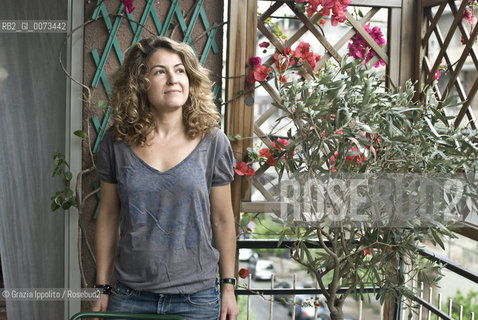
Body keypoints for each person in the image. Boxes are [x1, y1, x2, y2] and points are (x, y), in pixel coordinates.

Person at [91, 36, 239, 320]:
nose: (173, 78)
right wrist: (102, 287)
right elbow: (108, 215)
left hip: (196, 300)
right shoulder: (116, 142)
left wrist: (228, 287)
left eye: (180, 70)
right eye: (160, 71)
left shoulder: (213, 142)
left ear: (190, 79)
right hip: (130, 297)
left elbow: (222, 218)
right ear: (140, 83)